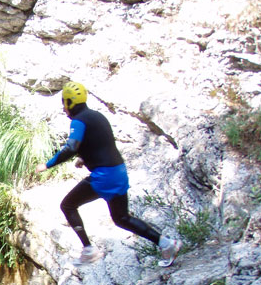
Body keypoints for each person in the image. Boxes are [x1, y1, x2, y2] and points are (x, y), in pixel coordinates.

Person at [36, 81, 181, 267]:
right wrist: (85, 159)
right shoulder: (97, 116)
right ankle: (167, 244)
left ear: (71, 102)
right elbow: (100, 144)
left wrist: (47, 165)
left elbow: (71, 147)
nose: (64, 108)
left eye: (64, 102)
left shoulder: (78, 120)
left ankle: (88, 250)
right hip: (118, 172)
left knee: (68, 205)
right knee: (122, 218)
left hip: (104, 177)